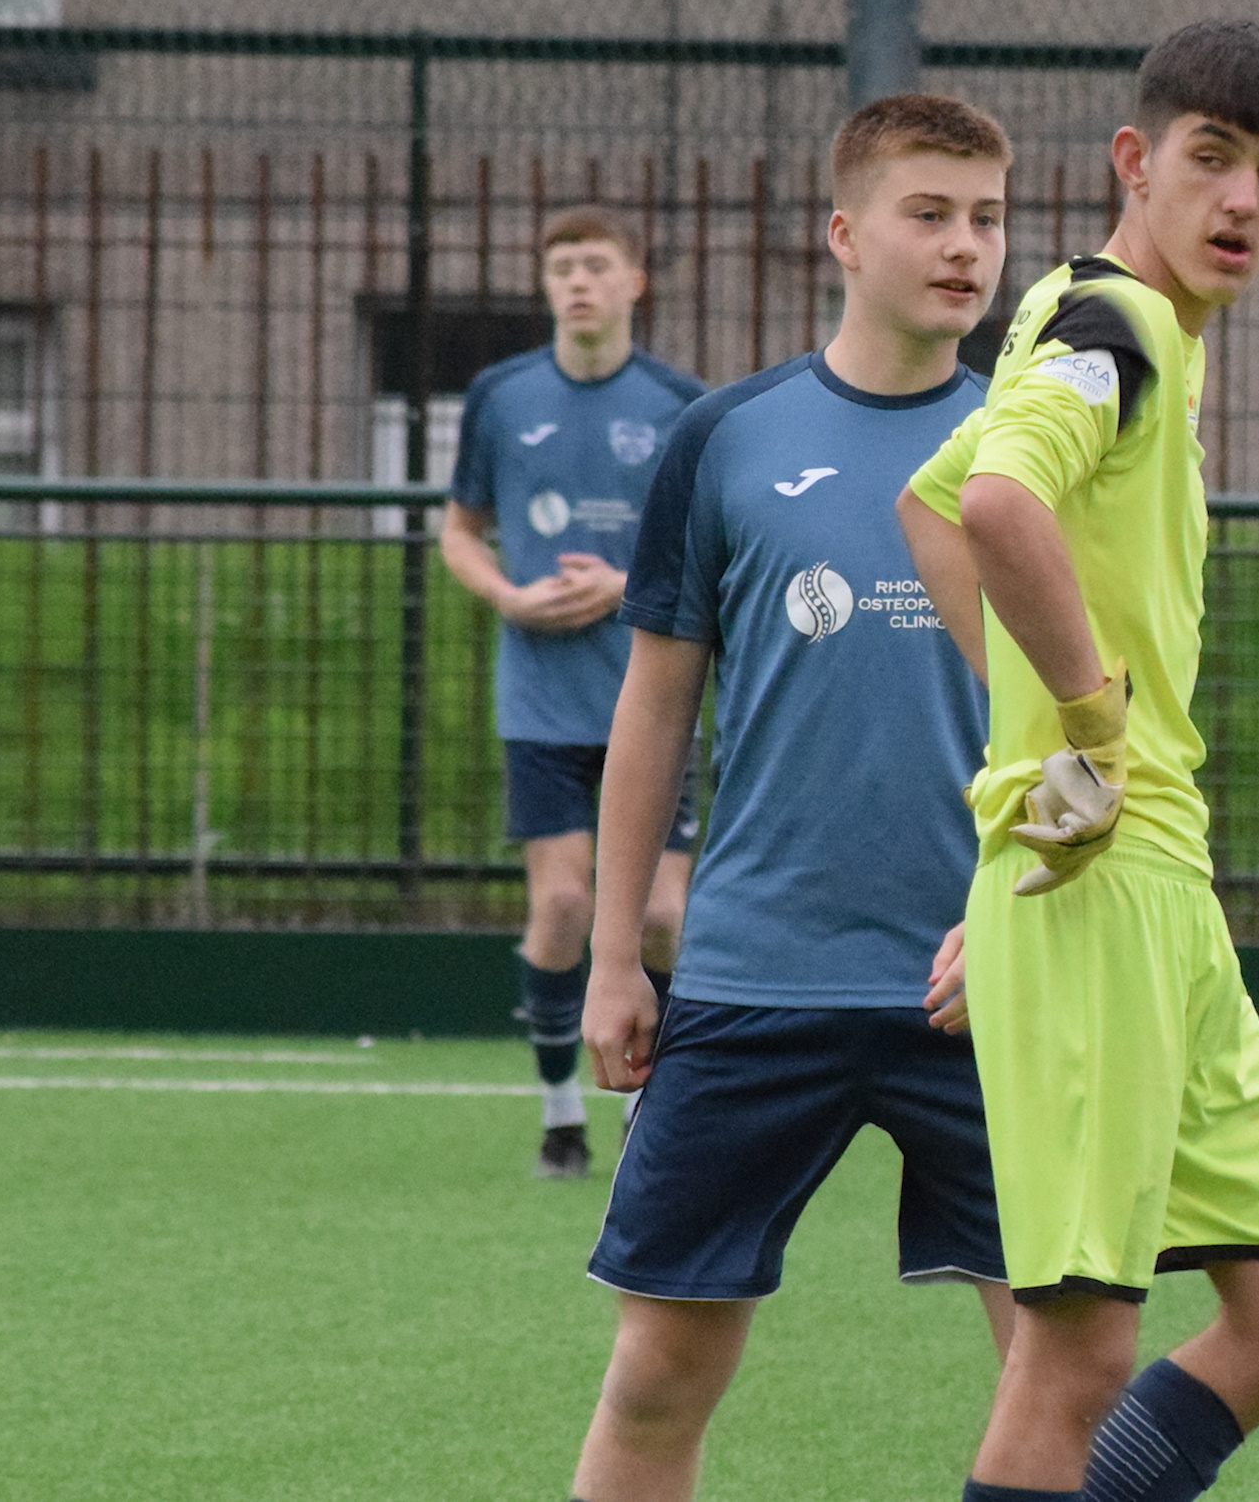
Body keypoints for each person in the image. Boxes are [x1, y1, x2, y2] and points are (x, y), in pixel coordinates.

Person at [899, 19, 1259, 1502]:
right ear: (1136, 163)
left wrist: (1024, 807)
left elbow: (934, 499)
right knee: (1079, 1355)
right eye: (1211, 160)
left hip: (1142, 877)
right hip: (1108, 879)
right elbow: (1003, 504)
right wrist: (1082, 736)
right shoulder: (1119, 327)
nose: (1240, 200)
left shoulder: (1101, 325)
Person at [569, 93, 1019, 1502]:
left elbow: (1103, 718)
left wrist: (1032, 907)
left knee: (1068, 1366)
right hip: (758, 975)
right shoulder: (728, 436)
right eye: (929, 212)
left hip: (990, 980)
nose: (967, 246)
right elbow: (652, 706)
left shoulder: (1035, 445)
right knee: (658, 1370)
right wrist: (615, 951)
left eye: (990, 217)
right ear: (844, 232)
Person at [440, 205, 705, 1179]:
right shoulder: (501, 396)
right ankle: (560, 1114)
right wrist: (510, 591)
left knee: (665, 915)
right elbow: (460, 529)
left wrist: (627, 588)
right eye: (561, 268)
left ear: (635, 281)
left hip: (652, 696)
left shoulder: (682, 405)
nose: (577, 283)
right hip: (543, 702)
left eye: (596, 265)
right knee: (560, 906)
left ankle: (651, 1108)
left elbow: (706, 552)